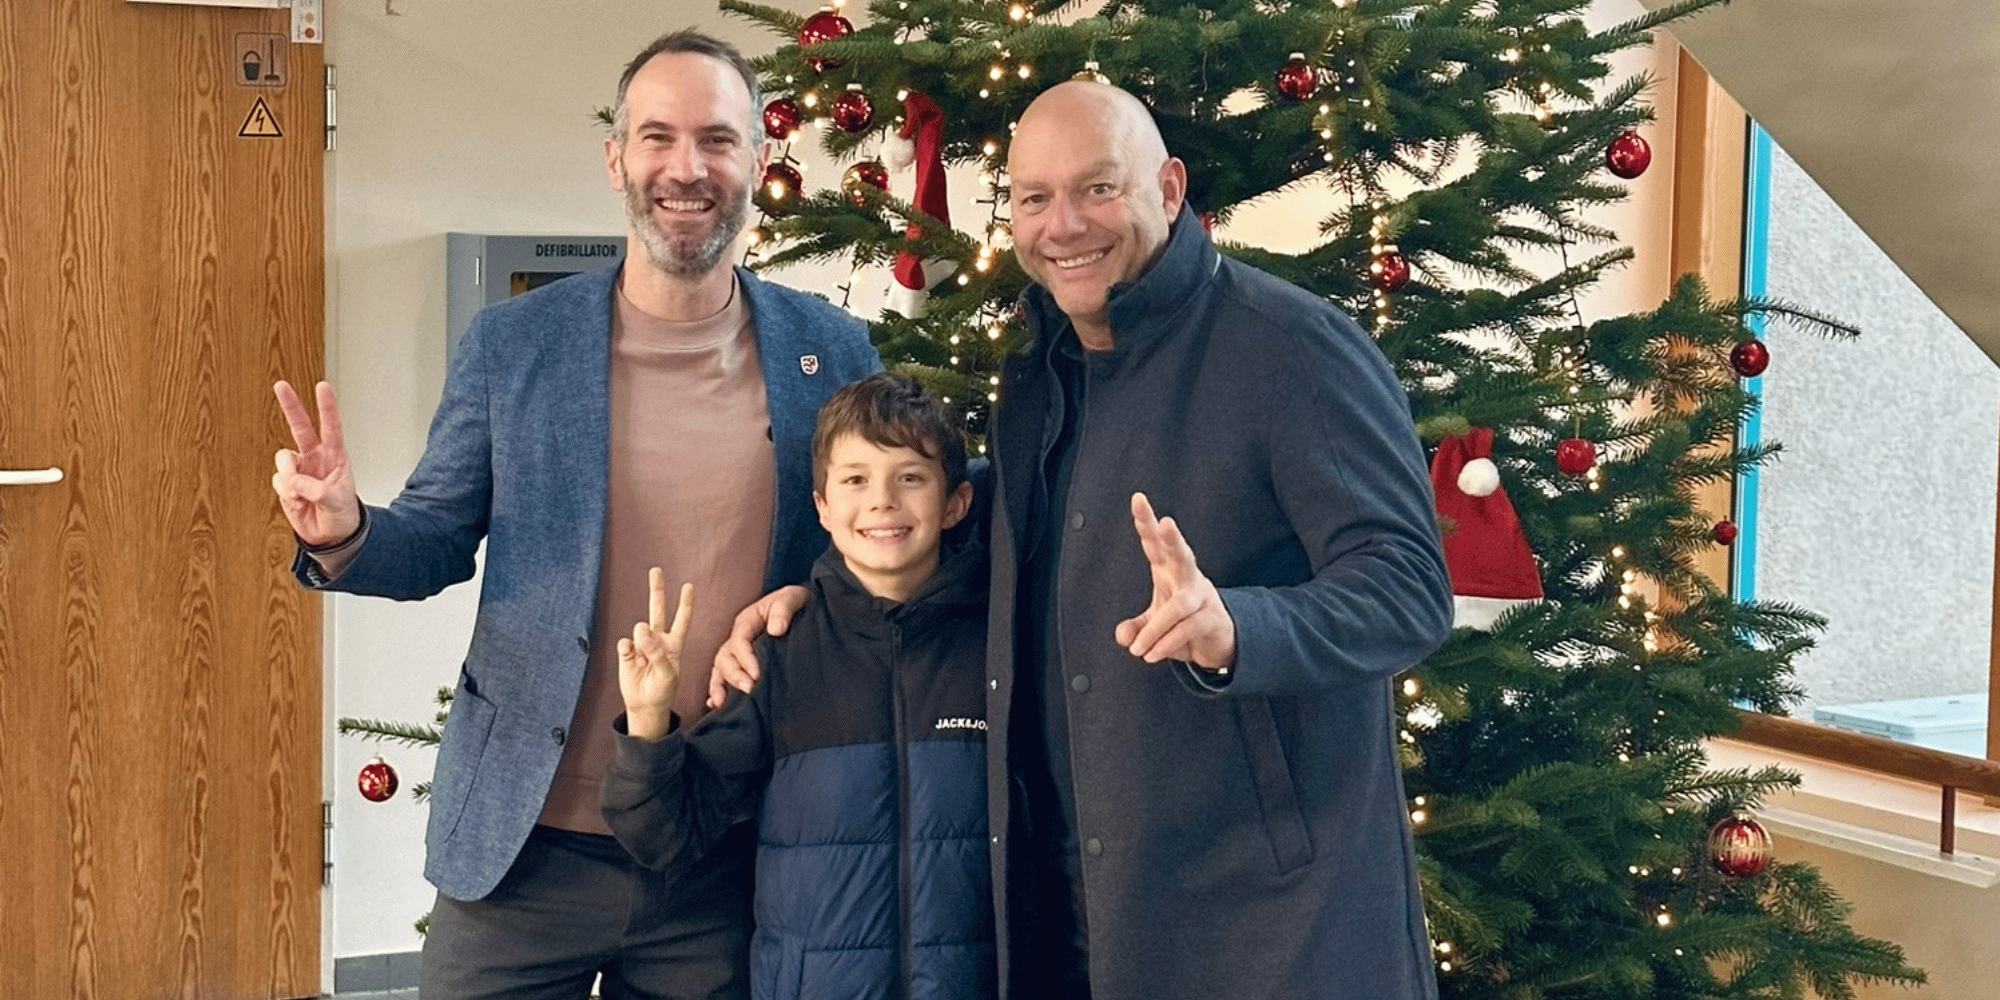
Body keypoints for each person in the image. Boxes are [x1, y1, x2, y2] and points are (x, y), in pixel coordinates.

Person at [269, 30, 879, 1000]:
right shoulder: (515, 344)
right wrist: (343, 527)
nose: (686, 167)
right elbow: (433, 542)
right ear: (615, 159)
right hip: (521, 852)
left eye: (717, 140)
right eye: (657, 136)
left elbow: (880, 552)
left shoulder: (832, 350)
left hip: (718, 846)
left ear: (758, 162)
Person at [990, 81, 1454, 999]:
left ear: (1167, 188)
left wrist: (1237, 627)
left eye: (1097, 189)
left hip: (1269, 929)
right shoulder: (1040, 366)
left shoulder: (1291, 347)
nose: (1063, 225)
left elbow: (1408, 587)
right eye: (1034, 198)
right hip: (1078, 909)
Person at [602, 371, 993, 1000]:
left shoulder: (996, 646)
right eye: (856, 480)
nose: (883, 502)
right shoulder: (777, 655)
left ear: (955, 504)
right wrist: (649, 726)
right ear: (822, 508)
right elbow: (665, 837)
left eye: (911, 478)